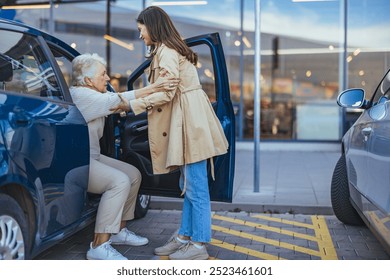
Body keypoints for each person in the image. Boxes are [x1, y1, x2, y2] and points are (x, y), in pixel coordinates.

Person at [130, 6, 229, 260]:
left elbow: (166, 91)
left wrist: (131, 104)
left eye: (141, 30)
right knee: (189, 185)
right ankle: (185, 236)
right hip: (187, 120)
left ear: (152, 26)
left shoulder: (167, 52)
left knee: (196, 186)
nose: (140, 35)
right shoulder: (167, 50)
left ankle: (198, 245)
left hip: (189, 123)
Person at [70, 52, 179, 260]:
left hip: (92, 156)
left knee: (133, 174)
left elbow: (114, 105)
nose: (108, 78)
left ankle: (118, 230)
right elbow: (117, 100)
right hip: (79, 161)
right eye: (103, 74)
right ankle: (98, 246)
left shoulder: (94, 96)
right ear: (88, 80)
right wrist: (155, 87)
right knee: (119, 181)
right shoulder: (81, 95)